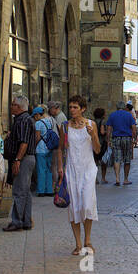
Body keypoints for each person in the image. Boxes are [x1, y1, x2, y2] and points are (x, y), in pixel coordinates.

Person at [57, 94, 100, 255]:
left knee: (87, 204)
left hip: (88, 169)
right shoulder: (65, 126)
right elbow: (60, 148)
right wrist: (60, 167)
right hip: (72, 170)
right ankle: (78, 243)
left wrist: (93, 135)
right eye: (71, 107)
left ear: (83, 109)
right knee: (74, 205)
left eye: (75, 107)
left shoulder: (91, 124)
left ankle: (88, 240)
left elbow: (97, 149)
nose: (72, 110)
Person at [2, 95, 35, 231]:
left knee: (19, 191)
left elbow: (24, 143)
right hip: (26, 158)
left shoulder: (23, 120)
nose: (11, 106)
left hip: (23, 158)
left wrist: (17, 160)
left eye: (13, 104)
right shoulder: (24, 120)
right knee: (25, 191)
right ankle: (26, 220)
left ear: (20, 107)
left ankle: (17, 222)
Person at [106, 100, 138, 186]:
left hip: (116, 138)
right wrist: (135, 138)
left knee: (117, 158)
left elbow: (109, 129)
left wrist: (108, 139)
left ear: (116, 107)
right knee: (127, 158)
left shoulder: (112, 115)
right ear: (124, 107)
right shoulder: (129, 115)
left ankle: (117, 178)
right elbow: (134, 128)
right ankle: (126, 179)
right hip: (127, 138)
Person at [34, 105, 55, 196]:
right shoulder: (48, 122)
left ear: (38, 114)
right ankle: (49, 190)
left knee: (41, 170)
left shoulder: (38, 123)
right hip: (48, 148)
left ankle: (41, 191)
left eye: (35, 116)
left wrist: (33, 145)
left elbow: (37, 137)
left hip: (40, 149)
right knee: (48, 170)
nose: (34, 118)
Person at [92, 107, 111, 184]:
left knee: (95, 162)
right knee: (103, 162)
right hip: (102, 143)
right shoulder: (103, 122)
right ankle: (103, 178)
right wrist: (108, 131)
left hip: (94, 143)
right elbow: (102, 132)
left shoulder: (92, 121)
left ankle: (95, 178)